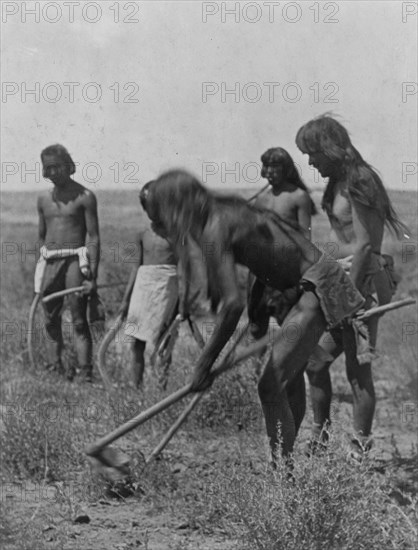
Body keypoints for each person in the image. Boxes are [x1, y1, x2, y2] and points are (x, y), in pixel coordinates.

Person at [140, 169, 365, 461]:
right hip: (304, 285)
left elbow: (232, 305)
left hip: (316, 285)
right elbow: (269, 259)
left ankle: (283, 476)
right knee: (288, 380)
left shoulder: (215, 226)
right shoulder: (220, 214)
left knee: (270, 385)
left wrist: (205, 363)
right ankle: (287, 468)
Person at [296, 115, 407, 460]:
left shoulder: (360, 179)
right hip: (340, 279)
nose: (311, 162)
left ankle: (359, 453)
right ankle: (320, 438)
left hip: (363, 282)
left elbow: (362, 247)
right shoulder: (338, 181)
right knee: (314, 362)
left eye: (313, 154)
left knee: (358, 374)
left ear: (329, 148)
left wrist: (351, 298)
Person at [36, 144, 101, 381]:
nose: (53, 173)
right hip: (50, 262)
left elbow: (94, 237)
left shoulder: (85, 197)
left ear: (69, 166)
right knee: (50, 318)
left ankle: (85, 372)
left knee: (78, 318)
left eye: (57, 167)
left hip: (75, 260)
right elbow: (42, 236)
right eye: (48, 168)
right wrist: (40, 267)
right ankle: (55, 368)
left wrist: (91, 274)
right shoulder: (43, 199)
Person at [118, 183, 179, 388]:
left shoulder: (178, 234)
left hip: (167, 289)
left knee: (163, 341)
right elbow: (136, 268)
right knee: (136, 342)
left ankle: (161, 388)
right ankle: (136, 388)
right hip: (142, 289)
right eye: (148, 207)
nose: (153, 211)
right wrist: (126, 301)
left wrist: (186, 300)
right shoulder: (142, 234)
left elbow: (187, 268)